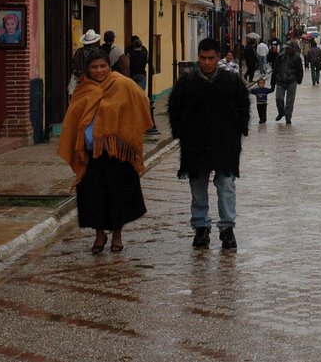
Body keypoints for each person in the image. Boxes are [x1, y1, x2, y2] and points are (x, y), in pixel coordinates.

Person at [58, 49, 151, 254]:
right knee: (93, 197)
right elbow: (73, 119)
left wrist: (128, 126)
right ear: (88, 69)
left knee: (118, 196)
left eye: (103, 66)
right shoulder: (83, 89)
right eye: (94, 67)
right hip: (91, 155)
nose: (99, 71)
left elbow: (142, 104)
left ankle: (117, 235)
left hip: (118, 154)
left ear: (109, 66)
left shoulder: (123, 84)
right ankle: (99, 235)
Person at [167, 38, 249, 250]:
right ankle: (201, 227)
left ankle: (227, 229)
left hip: (225, 143)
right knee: (197, 187)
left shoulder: (232, 82)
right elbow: (174, 108)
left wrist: (239, 129)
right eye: (202, 58)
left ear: (218, 58)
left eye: (211, 58)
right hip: (196, 144)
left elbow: (243, 106)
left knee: (226, 185)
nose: (206, 62)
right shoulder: (186, 83)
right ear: (198, 57)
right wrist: (180, 132)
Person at [271, 40, 304, 124]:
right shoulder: (281, 56)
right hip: (280, 81)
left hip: (292, 81)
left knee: (290, 101)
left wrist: (299, 80)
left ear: (293, 48)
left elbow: (300, 70)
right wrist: (273, 82)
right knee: (279, 98)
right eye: (287, 48)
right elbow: (275, 69)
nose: (288, 50)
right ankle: (281, 112)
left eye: (289, 48)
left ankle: (288, 117)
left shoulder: (297, 58)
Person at [70, 29, 102, 96]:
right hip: (95, 81)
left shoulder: (79, 52)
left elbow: (74, 67)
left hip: (81, 80)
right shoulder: (98, 52)